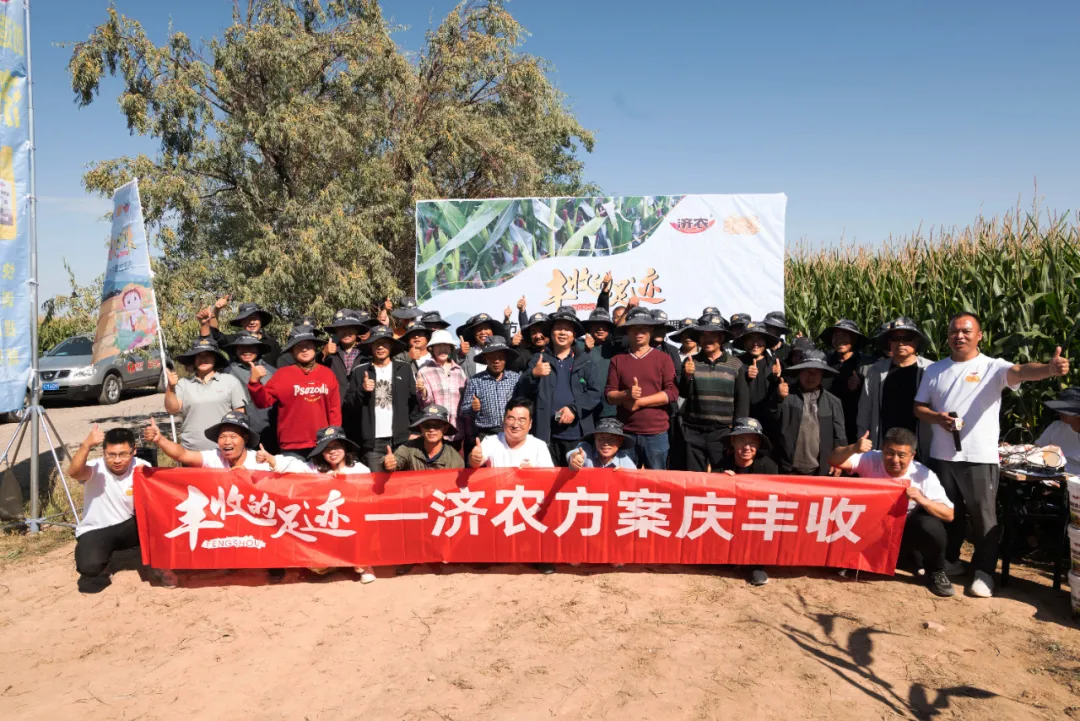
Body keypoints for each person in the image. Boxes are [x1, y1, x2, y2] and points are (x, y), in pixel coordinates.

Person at [913, 311, 1069, 598]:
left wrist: (1048, 368)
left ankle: (984, 572)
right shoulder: (935, 370)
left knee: (984, 517)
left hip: (979, 457)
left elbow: (1020, 372)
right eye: (953, 331)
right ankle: (951, 560)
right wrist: (938, 418)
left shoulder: (992, 367)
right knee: (950, 514)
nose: (959, 336)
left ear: (980, 335)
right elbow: (918, 407)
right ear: (947, 336)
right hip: (942, 455)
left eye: (966, 331)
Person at [830, 427, 957, 597]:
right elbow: (833, 460)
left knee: (930, 525)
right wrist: (853, 448)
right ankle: (848, 559)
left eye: (902, 455)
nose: (894, 460)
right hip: (867, 526)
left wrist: (922, 499)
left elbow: (949, 514)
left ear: (912, 455)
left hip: (902, 532)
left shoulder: (923, 474)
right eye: (889, 453)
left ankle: (935, 572)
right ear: (882, 450)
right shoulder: (871, 458)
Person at [269, 426, 376, 584]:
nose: (332, 452)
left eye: (336, 447)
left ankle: (364, 565)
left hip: (352, 526)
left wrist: (346, 482)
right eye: (326, 449)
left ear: (345, 447)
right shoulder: (314, 469)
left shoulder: (361, 469)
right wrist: (271, 459)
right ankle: (336, 563)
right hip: (325, 529)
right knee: (316, 568)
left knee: (360, 528)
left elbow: (369, 499)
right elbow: (293, 466)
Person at [68, 426, 154, 593]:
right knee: (90, 568)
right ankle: (97, 555)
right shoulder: (95, 468)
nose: (117, 460)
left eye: (123, 454)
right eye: (111, 455)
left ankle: (158, 565)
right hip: (97, 529)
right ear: (104, 453)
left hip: (130, 526)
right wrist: (86, 445)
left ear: (134, 451)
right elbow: (75, 473)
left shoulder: (142, 467)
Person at [515, 307, 601, 465]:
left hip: (579, 435)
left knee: (577, 483)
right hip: (547, 435)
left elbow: (595, 393)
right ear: (551, 333)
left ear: (574, 335)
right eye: (558, 328)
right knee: (547, 481)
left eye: (568, 329)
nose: (562, 333)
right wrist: (533, 375)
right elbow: (521, 392)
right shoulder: (538, 360)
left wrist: (574, 409)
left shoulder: (586, 361)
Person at [248, 325, 342, 458]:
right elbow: (263, 402)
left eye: (308, 344)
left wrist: (334, 438)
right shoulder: (282, 375)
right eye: (298, 346)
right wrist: (254, 383)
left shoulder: (327, 374)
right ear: (292, 351)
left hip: (322, 444)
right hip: (291, 446)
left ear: (315, 347)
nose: (304, 349)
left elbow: (335, 410)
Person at [605, 307, 679, 469]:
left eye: (643, 328)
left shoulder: (663, 359)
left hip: (656, 433)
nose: (639, 332)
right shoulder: (618, 360)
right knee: (626, 483)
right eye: (634, 328)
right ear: (627, 331)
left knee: (657, 484)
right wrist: (626, 394)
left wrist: (640, 402)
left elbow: (672, 393)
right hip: (625, 433)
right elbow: (609, 395)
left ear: (651, 330)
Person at [677, 314, 749, 472]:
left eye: (713, 335)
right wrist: (687, 376)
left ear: (722, 337)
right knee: (693, 479)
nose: (707, 339)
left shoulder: (735, 364)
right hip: (693, 431)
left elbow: (742, 401)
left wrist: (736, 435)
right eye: (703, 335)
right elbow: (683, 393)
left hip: (722, 433)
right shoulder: (690, 361)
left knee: (722, 479)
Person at [856, 317, 934, 461]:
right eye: (895, 339)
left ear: (917, 341)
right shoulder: (876, 371)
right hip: (884, 445)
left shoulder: (930, 370)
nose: (901, 343)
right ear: (889, 343)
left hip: (920, 448)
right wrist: (863, 442)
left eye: (907, 338)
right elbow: (865, 410)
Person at [713, 417, 778, 587]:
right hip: (731, 518)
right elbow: (712, 497)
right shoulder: (721, 466)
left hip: (757, 518)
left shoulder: (769, 467)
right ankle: (729, 556)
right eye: (742, 440)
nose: (747, 447)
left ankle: (756, 564)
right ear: (733, 441)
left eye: (752, 442)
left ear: (758, 444)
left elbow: (772, 498)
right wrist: (723, 482)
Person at [348, 325, 420, 471]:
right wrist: (362, 390)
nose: (380, 347)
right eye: (376, 343)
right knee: (377, 487)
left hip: (402, 440)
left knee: (404, 485)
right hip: (373, 443)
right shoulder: (360, 371)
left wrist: (415, 433)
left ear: (391, 346)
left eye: (384, 343)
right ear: (371, 346)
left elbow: (414, 404)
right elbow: (348, 406)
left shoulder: (404, 369)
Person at [767, 349, 848, 475]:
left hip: (821, 472)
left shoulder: (833, 402)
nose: (812, 376)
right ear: (799, 372)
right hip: (787, 470)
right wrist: (777, 397)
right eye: (807, 372)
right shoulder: (786, 396)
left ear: (822, 375)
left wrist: (840, 462)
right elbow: (771, 420)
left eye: (816, 373)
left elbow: (840, 438)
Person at [165, 337, 247, 451]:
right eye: (199, 355)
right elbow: (172, 409)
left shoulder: (230, 381)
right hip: (191, 452)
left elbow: (240, 415)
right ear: (193, 359)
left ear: (215, 358)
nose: (203, 359)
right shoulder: (183, 384)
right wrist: (170, 387)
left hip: (224, 451)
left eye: (207, 355)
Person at [145, 411, 277, 470]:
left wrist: (273, 462)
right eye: (222, 436)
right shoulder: (215, 457)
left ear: (245, 439)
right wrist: (160, 439)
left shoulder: (260, 461)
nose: (227, 442)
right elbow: (183, 454)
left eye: (232, 437)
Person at [459, 335, 520, 452]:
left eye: (500, 357)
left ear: (506, 358)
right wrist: (473, 408)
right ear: (485, 358)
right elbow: (464, 411)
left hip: (511, 433)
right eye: (492, 357)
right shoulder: (475, 381)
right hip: (485, 435)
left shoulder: (516, 379)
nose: (496, 361)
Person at [819, 319, 872, 444]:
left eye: (845, 335)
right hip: (826, 418)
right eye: (836, 335)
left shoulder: (867, 364)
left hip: (853, 422)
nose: (840, 339)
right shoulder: (824, 361)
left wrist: (860, 386)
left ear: (854, 339)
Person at [223, 332, 278, 452]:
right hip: (239, 433)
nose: (247, 351)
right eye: (242, 347)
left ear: (258, 349)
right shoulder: (226, 372)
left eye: (251, 347)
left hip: (269, 432)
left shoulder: (272, 372)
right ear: (236, 350)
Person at [415, 329, 468, 450]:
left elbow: (466, 402)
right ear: (431, 349)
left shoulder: (459, 371)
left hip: (457, 431)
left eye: (446, 345)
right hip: (435, 431)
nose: (442, 349)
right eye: (438, 345)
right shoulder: (424, 371)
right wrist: (422, 390)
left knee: (456, 466)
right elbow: (425, 403)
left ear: (451, 348)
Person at [469, 397, 554, 469]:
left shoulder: (539, 446)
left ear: (530, 424)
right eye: (511, 418)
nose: (515, 424)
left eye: (522, 420)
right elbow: (475, 463)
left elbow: (549, 477)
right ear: (504, 420)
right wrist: (475, 458)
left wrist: (534, 473)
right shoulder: (491, 441)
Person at [201, 299, 282, 367]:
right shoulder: (234, 340)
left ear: (261, 321)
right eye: (247, 319)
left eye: (255, 318)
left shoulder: (273, 344)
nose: (252, 322)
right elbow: (214, 336)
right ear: (241, 322)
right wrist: (216, 310)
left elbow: (281, 368)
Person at [383, 405, 465, 471]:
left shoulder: (454, 459)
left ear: (445, 429)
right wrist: (388, 463)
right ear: (421, 427)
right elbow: (395, 460)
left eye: (437, 425)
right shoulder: (408, 448)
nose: (431, 429)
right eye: (427, 425)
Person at [321, 309, 372, 407]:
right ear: (336, 331)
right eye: (341, 328)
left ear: (357, 330)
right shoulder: (329, 355)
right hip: (336, 411)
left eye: (350, 328)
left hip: (362, 410)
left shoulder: (368, 354)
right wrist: (324, 353)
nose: (346, 332)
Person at [739, 321, 781, 423]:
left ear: (766, 342)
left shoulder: (775, 363)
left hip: (770, 422)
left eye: (759, 339)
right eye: (751, 339)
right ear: (745, 342)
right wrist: (745, 377)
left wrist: (776, 378)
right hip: (744, 421)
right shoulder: (736, 363)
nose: (755, 343)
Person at [1038, 387, 1080, 475]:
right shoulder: (1056, 427)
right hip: (1051, 477)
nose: (1060, 412)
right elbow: (1037, 451)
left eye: (1066, 409)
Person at [567, 417, 637, 469]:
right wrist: (574, 458)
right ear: (595, 439)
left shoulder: (626, 463)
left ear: (620, 441)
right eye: (601, 439)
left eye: (611, 439)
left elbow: (633, 484)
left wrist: (625, 476)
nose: (606, 443)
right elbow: (574, 453)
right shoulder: (587, 448)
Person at [456, 312, 509, 377]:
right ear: (473, 333)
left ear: (492, 331)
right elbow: (454, 369)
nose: (483, 332)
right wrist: (461, 355)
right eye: (479, 329)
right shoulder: (466, 351)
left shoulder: (501, 349)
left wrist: (506, 321)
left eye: (486, 328)